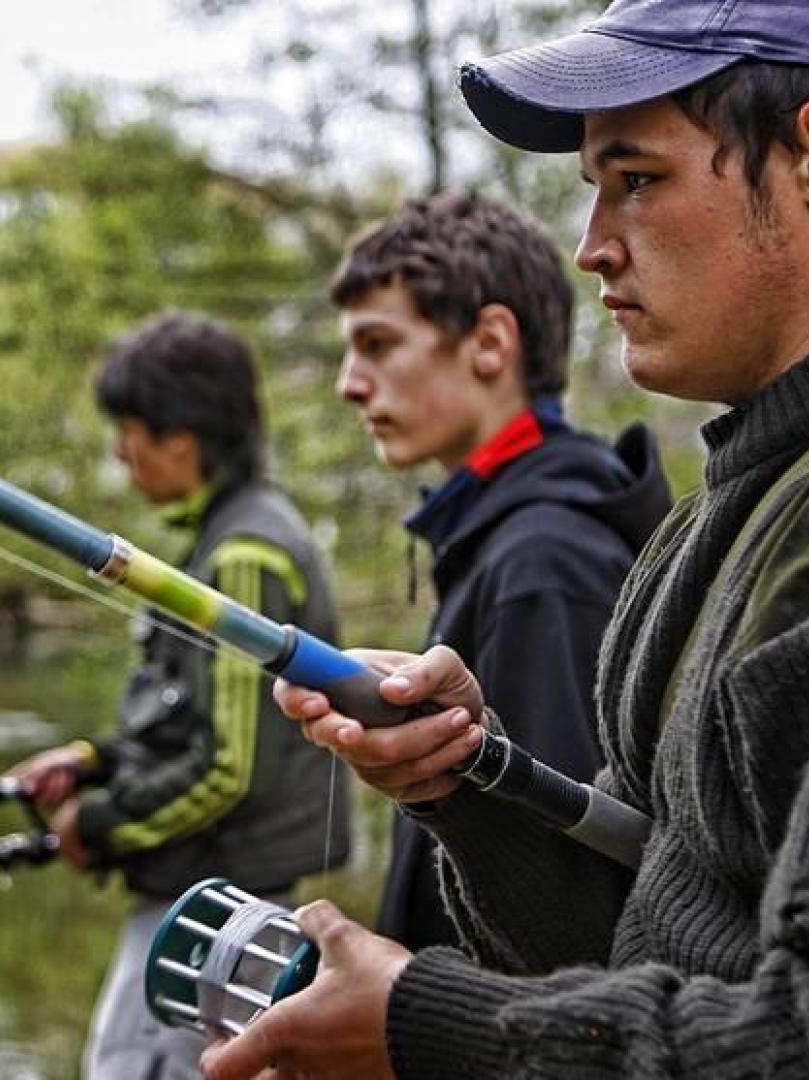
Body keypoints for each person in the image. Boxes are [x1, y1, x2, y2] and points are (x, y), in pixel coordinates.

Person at [202, 1, 809, 1077]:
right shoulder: (737, 504)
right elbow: (654, 942)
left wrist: (428, 1023)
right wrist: (464, 784)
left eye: (637, 179)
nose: (592, 246)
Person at [5, 312, 350, 1080]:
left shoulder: (245, 555)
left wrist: (97, 822)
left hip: (211, 913)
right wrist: (93, 762)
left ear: (182, 438)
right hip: (204, 898)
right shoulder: (225, 537)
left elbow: (230, 769)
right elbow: (186, 723)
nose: (120, 455)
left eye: (128, 432)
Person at [328, 189, 669, 952]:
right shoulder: (499, 538)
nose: (349, 382)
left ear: (489, 343)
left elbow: (572, 903)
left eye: (377, 345)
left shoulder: (544, 564)